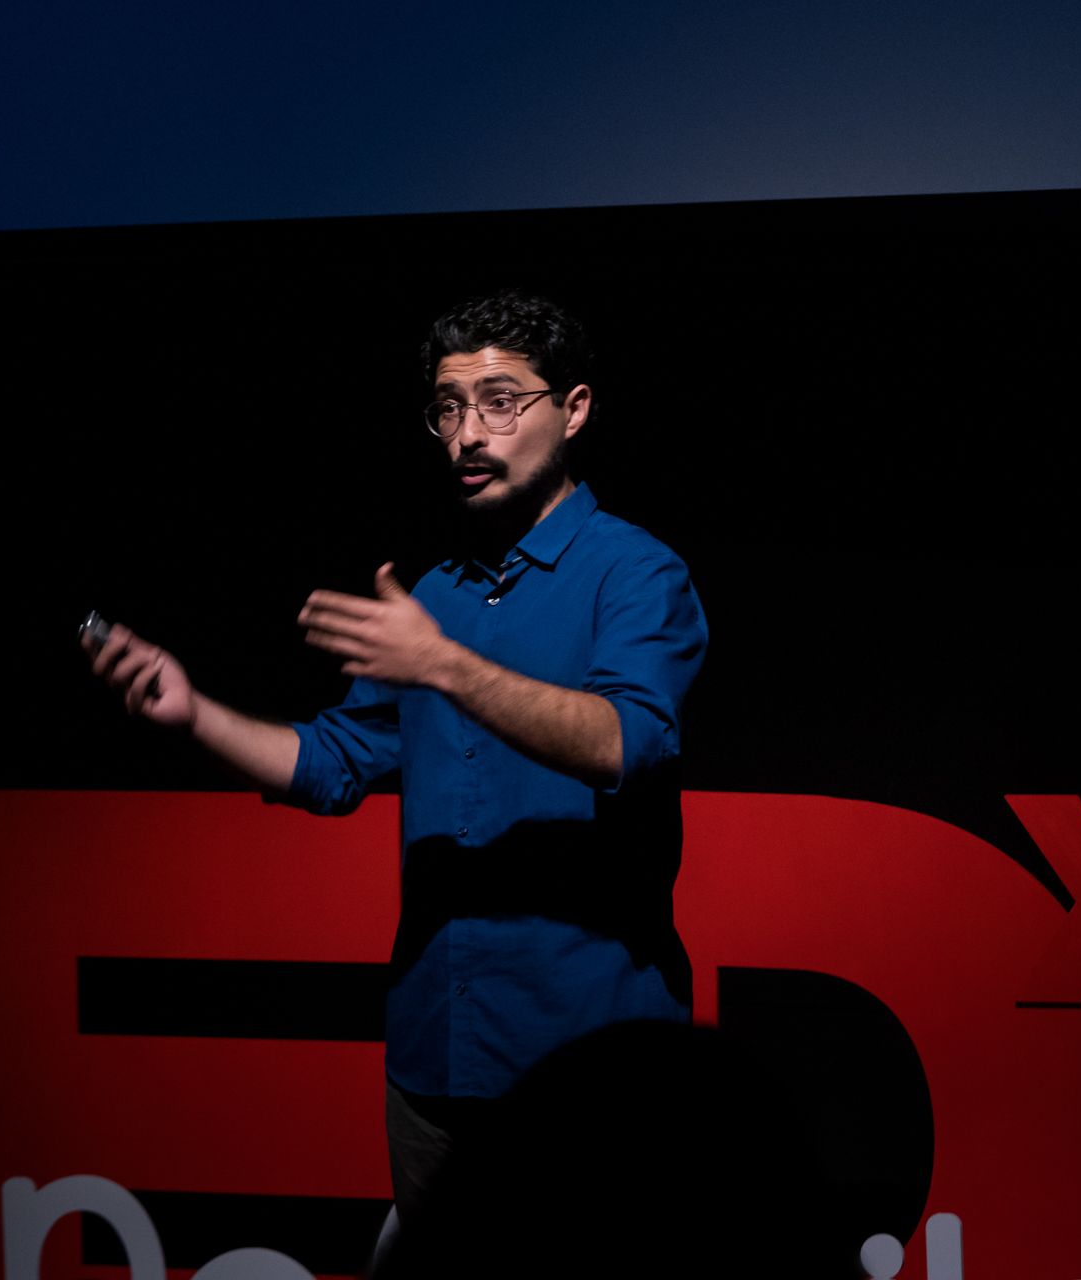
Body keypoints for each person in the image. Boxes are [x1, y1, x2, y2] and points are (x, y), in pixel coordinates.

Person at [85, 290, 707, 1224]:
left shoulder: (635, 572)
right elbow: (331, 762)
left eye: (500, 401)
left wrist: (445, 666)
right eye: (448, 408)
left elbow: (628, 741)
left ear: (573, 409)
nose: (469, 434)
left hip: (591, 1069)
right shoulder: (436, 596)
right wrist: (194, 713)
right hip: (434, 1061)